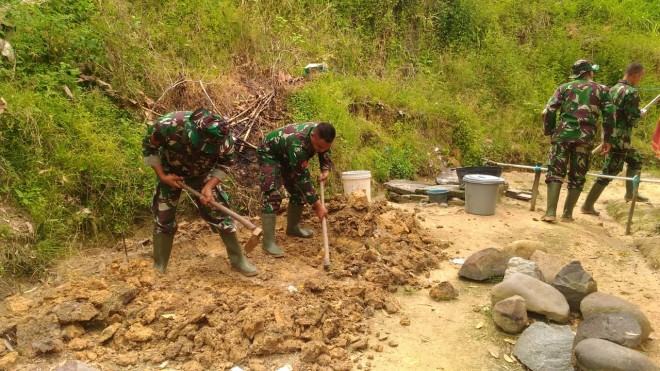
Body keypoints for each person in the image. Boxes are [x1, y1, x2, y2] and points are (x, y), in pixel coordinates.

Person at [142, 108, 257, 276]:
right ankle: (159, 266)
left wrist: (209, 186)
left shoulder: (226, 140)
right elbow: (149, 146)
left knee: (221, 215)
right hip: (170, 171)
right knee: (163, 217)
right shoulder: (168, 125)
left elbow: (225, 164)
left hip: (202, 175)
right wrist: (162, 176)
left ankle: (239, 261)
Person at [541, 59, 616, 222]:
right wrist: (607, 139)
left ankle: (550, 212)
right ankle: (567, 214)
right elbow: (610, 116)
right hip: (585, 137)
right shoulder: (602, 90)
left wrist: (550, 131)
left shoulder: (564, 88)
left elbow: (549, 110)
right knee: (578, 174)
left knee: (555, 171)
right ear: (589, 73)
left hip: (562, 136)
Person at [257, 122, 335, 257]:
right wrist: (317, 206)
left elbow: (324, 151)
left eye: (324, 147)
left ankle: (293, 228)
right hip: (270, 153)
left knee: (298, 193)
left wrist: (325, 169)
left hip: (287, 154)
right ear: (312, 136)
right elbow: (302, 179)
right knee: (273, 195)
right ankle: (268, 243)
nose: (320, 150)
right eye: (318, 146)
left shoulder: (321, 133)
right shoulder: (298, 144)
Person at [582, 63, 650, 215]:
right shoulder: (631, 92)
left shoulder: (612, 89)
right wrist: (641, 113)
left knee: (636, 159)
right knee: (610, 170)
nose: (640, 79)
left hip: (609, 135)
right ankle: (587, 205)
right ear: (634, 75)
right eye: (640, 76)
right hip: (619, 139)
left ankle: (631, 193)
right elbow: (632, 119)